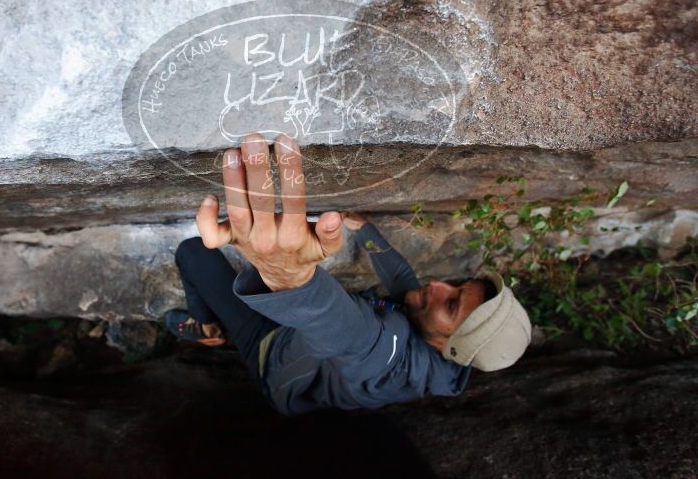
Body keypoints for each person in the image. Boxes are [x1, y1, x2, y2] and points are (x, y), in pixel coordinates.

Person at [165, 132, 532, 416]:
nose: (438, 285)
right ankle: (220, 325)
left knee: (192, 252)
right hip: (305, 341)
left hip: (274, 358)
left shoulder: (388, 358)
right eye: (458, 286)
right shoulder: (446, 348)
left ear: (446, 345)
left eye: (451, 304)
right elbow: (408, 287)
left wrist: (291, 277)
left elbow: (351, 333)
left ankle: (208, 329)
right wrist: (368, 231)